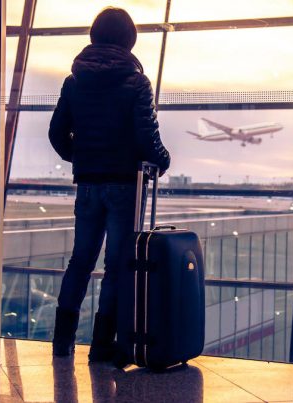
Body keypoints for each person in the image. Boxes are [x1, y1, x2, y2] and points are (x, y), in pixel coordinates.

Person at [48, 7, 171, 362]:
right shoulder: (136, 83)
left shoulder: (74, 82)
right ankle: (102, 344)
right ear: (129, 39)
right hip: (123, 184)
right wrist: (163, 160)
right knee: (117, 265)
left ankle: (62, 341)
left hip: (87, 183)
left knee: (80, 261)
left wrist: (82, 157)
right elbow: (147, 136)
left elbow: (57, 133)